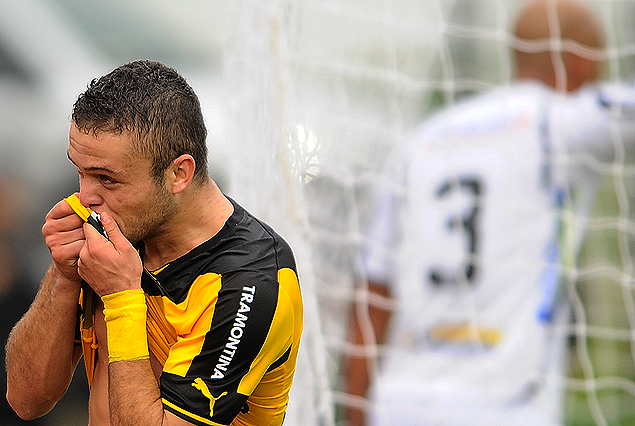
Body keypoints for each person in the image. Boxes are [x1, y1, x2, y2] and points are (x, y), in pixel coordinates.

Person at [345, 0, 635, 425]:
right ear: (582, 62)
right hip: (505, 407)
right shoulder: (562, 125)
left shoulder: (421, 141)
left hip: (399, 403)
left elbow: (374, 289)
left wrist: (357, 412)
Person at [5, 60, 303, 426]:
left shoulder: (252, 281)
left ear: (179, 173)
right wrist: (63, 276)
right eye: (80, 172)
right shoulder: (113, 235)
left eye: (106, 179)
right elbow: (24, 400)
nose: (84, 197)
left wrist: (122, 298)